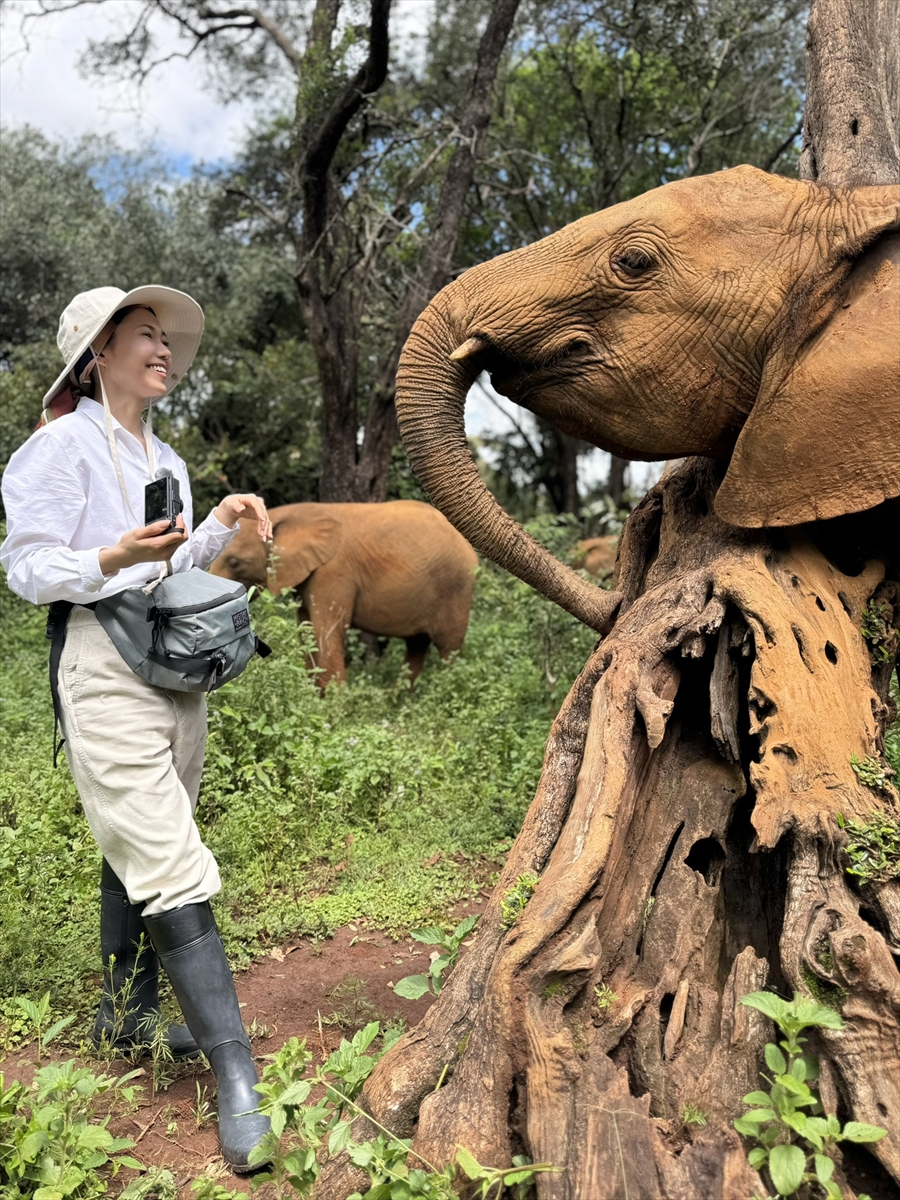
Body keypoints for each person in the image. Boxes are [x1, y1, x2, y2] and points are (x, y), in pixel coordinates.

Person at [1, 285, 274, 1172]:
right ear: (98, 354)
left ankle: (125, 1013)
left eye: (165, 339)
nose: (164, 350)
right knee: (165, 854)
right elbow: (29, 566)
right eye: (146, 337)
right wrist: (113, 554)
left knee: (147, 839)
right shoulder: (58, 447)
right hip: (101, 657)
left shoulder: (168, 456)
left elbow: (176, 556)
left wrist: (217, 526)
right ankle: (237, 1079)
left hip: (172, 666)